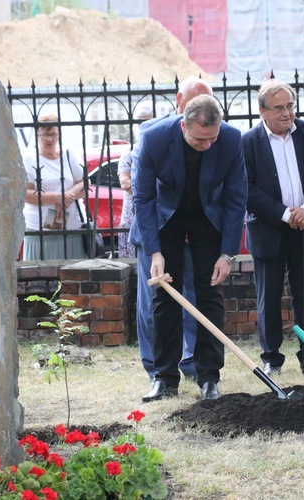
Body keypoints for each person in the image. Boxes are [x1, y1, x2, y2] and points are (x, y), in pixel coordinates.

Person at [133, 94, 247, 401]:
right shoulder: (154, 139)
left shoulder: (232, 139)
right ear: (184, 126)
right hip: (166, 219)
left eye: (213, 138)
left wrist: (227, 254)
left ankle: (209, 376)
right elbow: (143, 199)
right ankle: (164, 377)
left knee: (209, 294)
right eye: (200, 139)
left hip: (207, 220)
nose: (208, 145)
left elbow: (237, 199)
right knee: (165, 297)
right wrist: (154, 251)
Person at [242, 79, 304, 376]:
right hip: (269, 229)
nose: (287, 113)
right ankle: (271, 358)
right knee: (268, 297)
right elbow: (247, 189)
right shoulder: (248, 141)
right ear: (262, 111)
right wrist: (285, 214)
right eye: (279, 107)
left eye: (291, 106)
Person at [128, 77, 214, 382]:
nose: (199, 109)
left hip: (194, 233)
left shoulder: (212, 134)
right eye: (193, 101)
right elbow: (144, 193)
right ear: (180, 99)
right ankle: (155, 367)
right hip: (156, 231)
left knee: (191, 297)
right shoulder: (152, 133)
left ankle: (190, 363)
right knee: (155, 299)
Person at [23, 114, 88, 261]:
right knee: (40, 280)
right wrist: (56, 198)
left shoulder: (69, 153)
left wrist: (66, 197)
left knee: (75, 279)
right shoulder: (29, 158)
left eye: (53, 134)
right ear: (38, 135)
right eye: (45, 135)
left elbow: (84, 183)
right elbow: (26, 193)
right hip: (39, 230)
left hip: (72, 228)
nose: (49, 139)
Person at [117, 104, 154, 259]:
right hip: (132, 215)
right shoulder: (129, 152)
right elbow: (125, 183)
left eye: (147, 121)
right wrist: (148, 187)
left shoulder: (156, 148)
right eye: (140, 122)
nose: (143, 126)